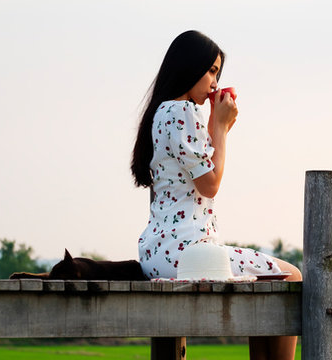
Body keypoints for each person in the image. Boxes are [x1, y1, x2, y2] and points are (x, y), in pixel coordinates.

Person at [130, 30, 301, 360]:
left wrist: (217, 127)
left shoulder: (162, 113)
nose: (214, 81)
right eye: (210, 70)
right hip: (189, 255)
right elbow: (210, 184)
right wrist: (220, 128)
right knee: (291, 276)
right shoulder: (183, 112)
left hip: (159, 254)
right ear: (188, 68)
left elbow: (199, 170)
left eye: (217, 73)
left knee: (265, 283)